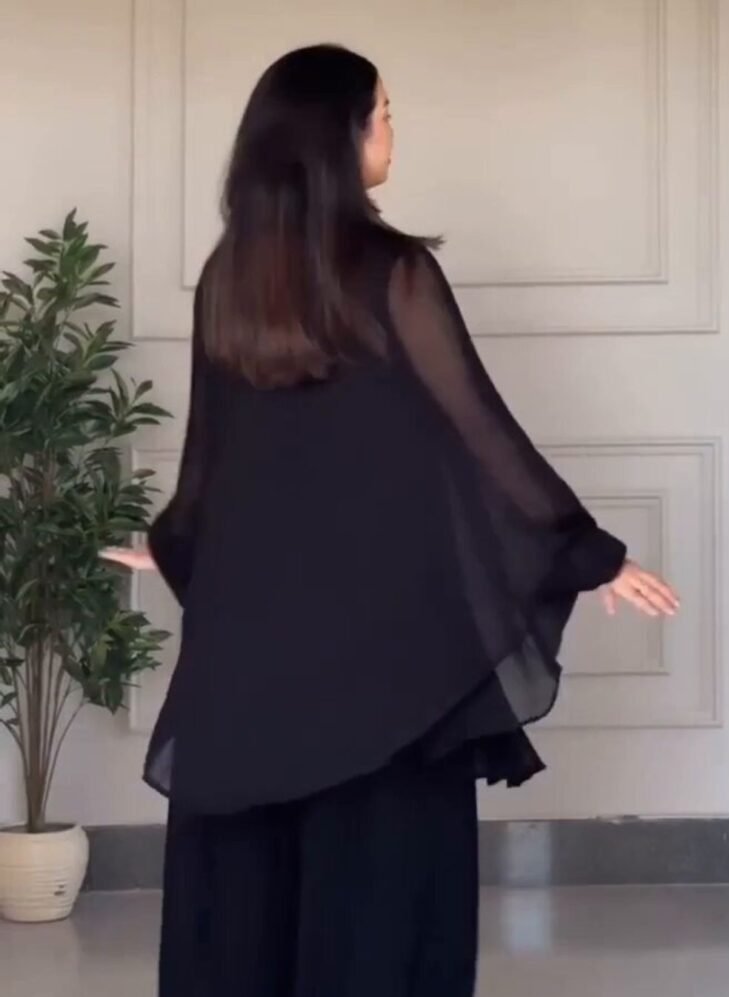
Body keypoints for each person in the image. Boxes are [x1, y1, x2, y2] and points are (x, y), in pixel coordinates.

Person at [103, 43, 679, 997]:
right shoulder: (395, 271)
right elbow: (480, 434)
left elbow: (211, 459)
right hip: (384, 652)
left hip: (255, 646)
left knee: (250, 897)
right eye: (384, 112)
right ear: (342, 135)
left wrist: (181, 546)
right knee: (377, 897)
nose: (392, 130)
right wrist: (588, 554)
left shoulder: (227, 277)